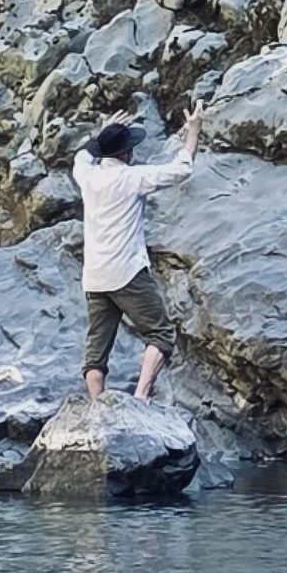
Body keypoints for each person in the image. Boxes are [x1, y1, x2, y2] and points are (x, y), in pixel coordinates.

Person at [73, 106, 202, 402]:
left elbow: (82, 155)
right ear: (127, 153)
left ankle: (97, 406)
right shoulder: (132, 178)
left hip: (94, 276)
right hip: (127, 273)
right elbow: (181, 169)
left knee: (96, 348)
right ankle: (142, 396)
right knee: (160, 333)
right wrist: (193, 131)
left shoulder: (87, 176)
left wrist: (103, 133)